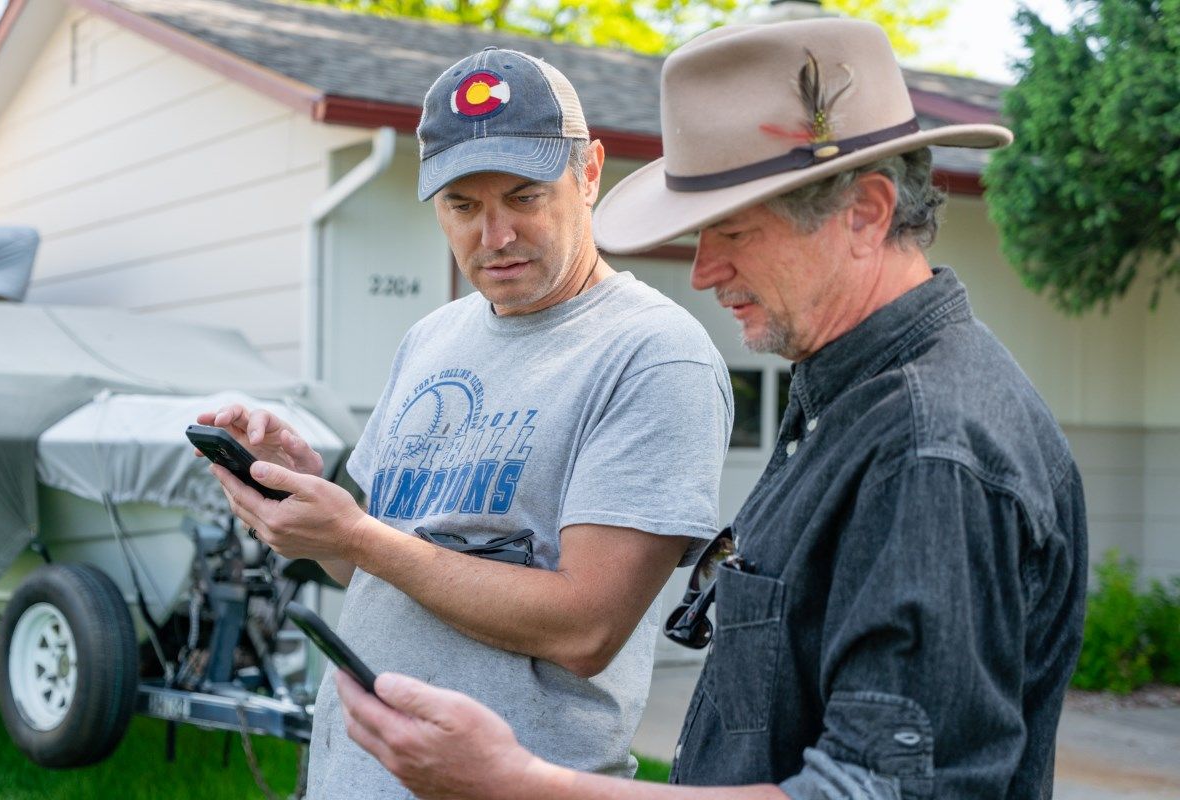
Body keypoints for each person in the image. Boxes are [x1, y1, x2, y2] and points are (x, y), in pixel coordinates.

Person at [333, 18, 1088, 800]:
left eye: (731, 229)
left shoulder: (930, 452)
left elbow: (878, 792)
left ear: (865, 212)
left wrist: (516, 782)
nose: (701, 272)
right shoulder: (856, 402)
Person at [201, 47, 732, 799]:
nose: (495, 235)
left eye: (523, 197)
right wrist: (314, 504)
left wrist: (358, 535)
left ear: (589, 174)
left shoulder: (653, 356)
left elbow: (586, 629)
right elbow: (371, 570)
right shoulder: (433, 337)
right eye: (462, 206)